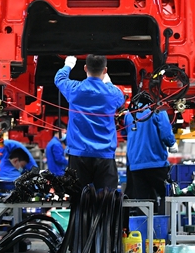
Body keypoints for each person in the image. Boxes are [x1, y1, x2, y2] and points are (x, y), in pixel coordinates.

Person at [55, 54, 125, 194]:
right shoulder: (113, 93)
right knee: (106, 201)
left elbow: (59, 79)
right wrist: (108, 82)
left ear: (85, 68)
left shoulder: (75, 89)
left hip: (79, 156)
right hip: (104, 157)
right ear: (105, 70)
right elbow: (119, 98)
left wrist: (68, 64)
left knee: (78, 200)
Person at [0, 140, 37, 253]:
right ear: (15, 161)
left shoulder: (1, 164)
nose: (22, 169)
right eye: (22, 166)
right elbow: (21, 185)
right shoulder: (12, 172)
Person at [122, 103, 176, 214]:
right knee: (167, 195)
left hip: (136, 166)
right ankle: (164, 223)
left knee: (143, 202)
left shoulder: (129, 113)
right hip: (156, 163)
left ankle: (143, 225)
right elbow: (166, 134)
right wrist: (172, 143)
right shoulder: (158, 109)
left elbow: (125, 134)